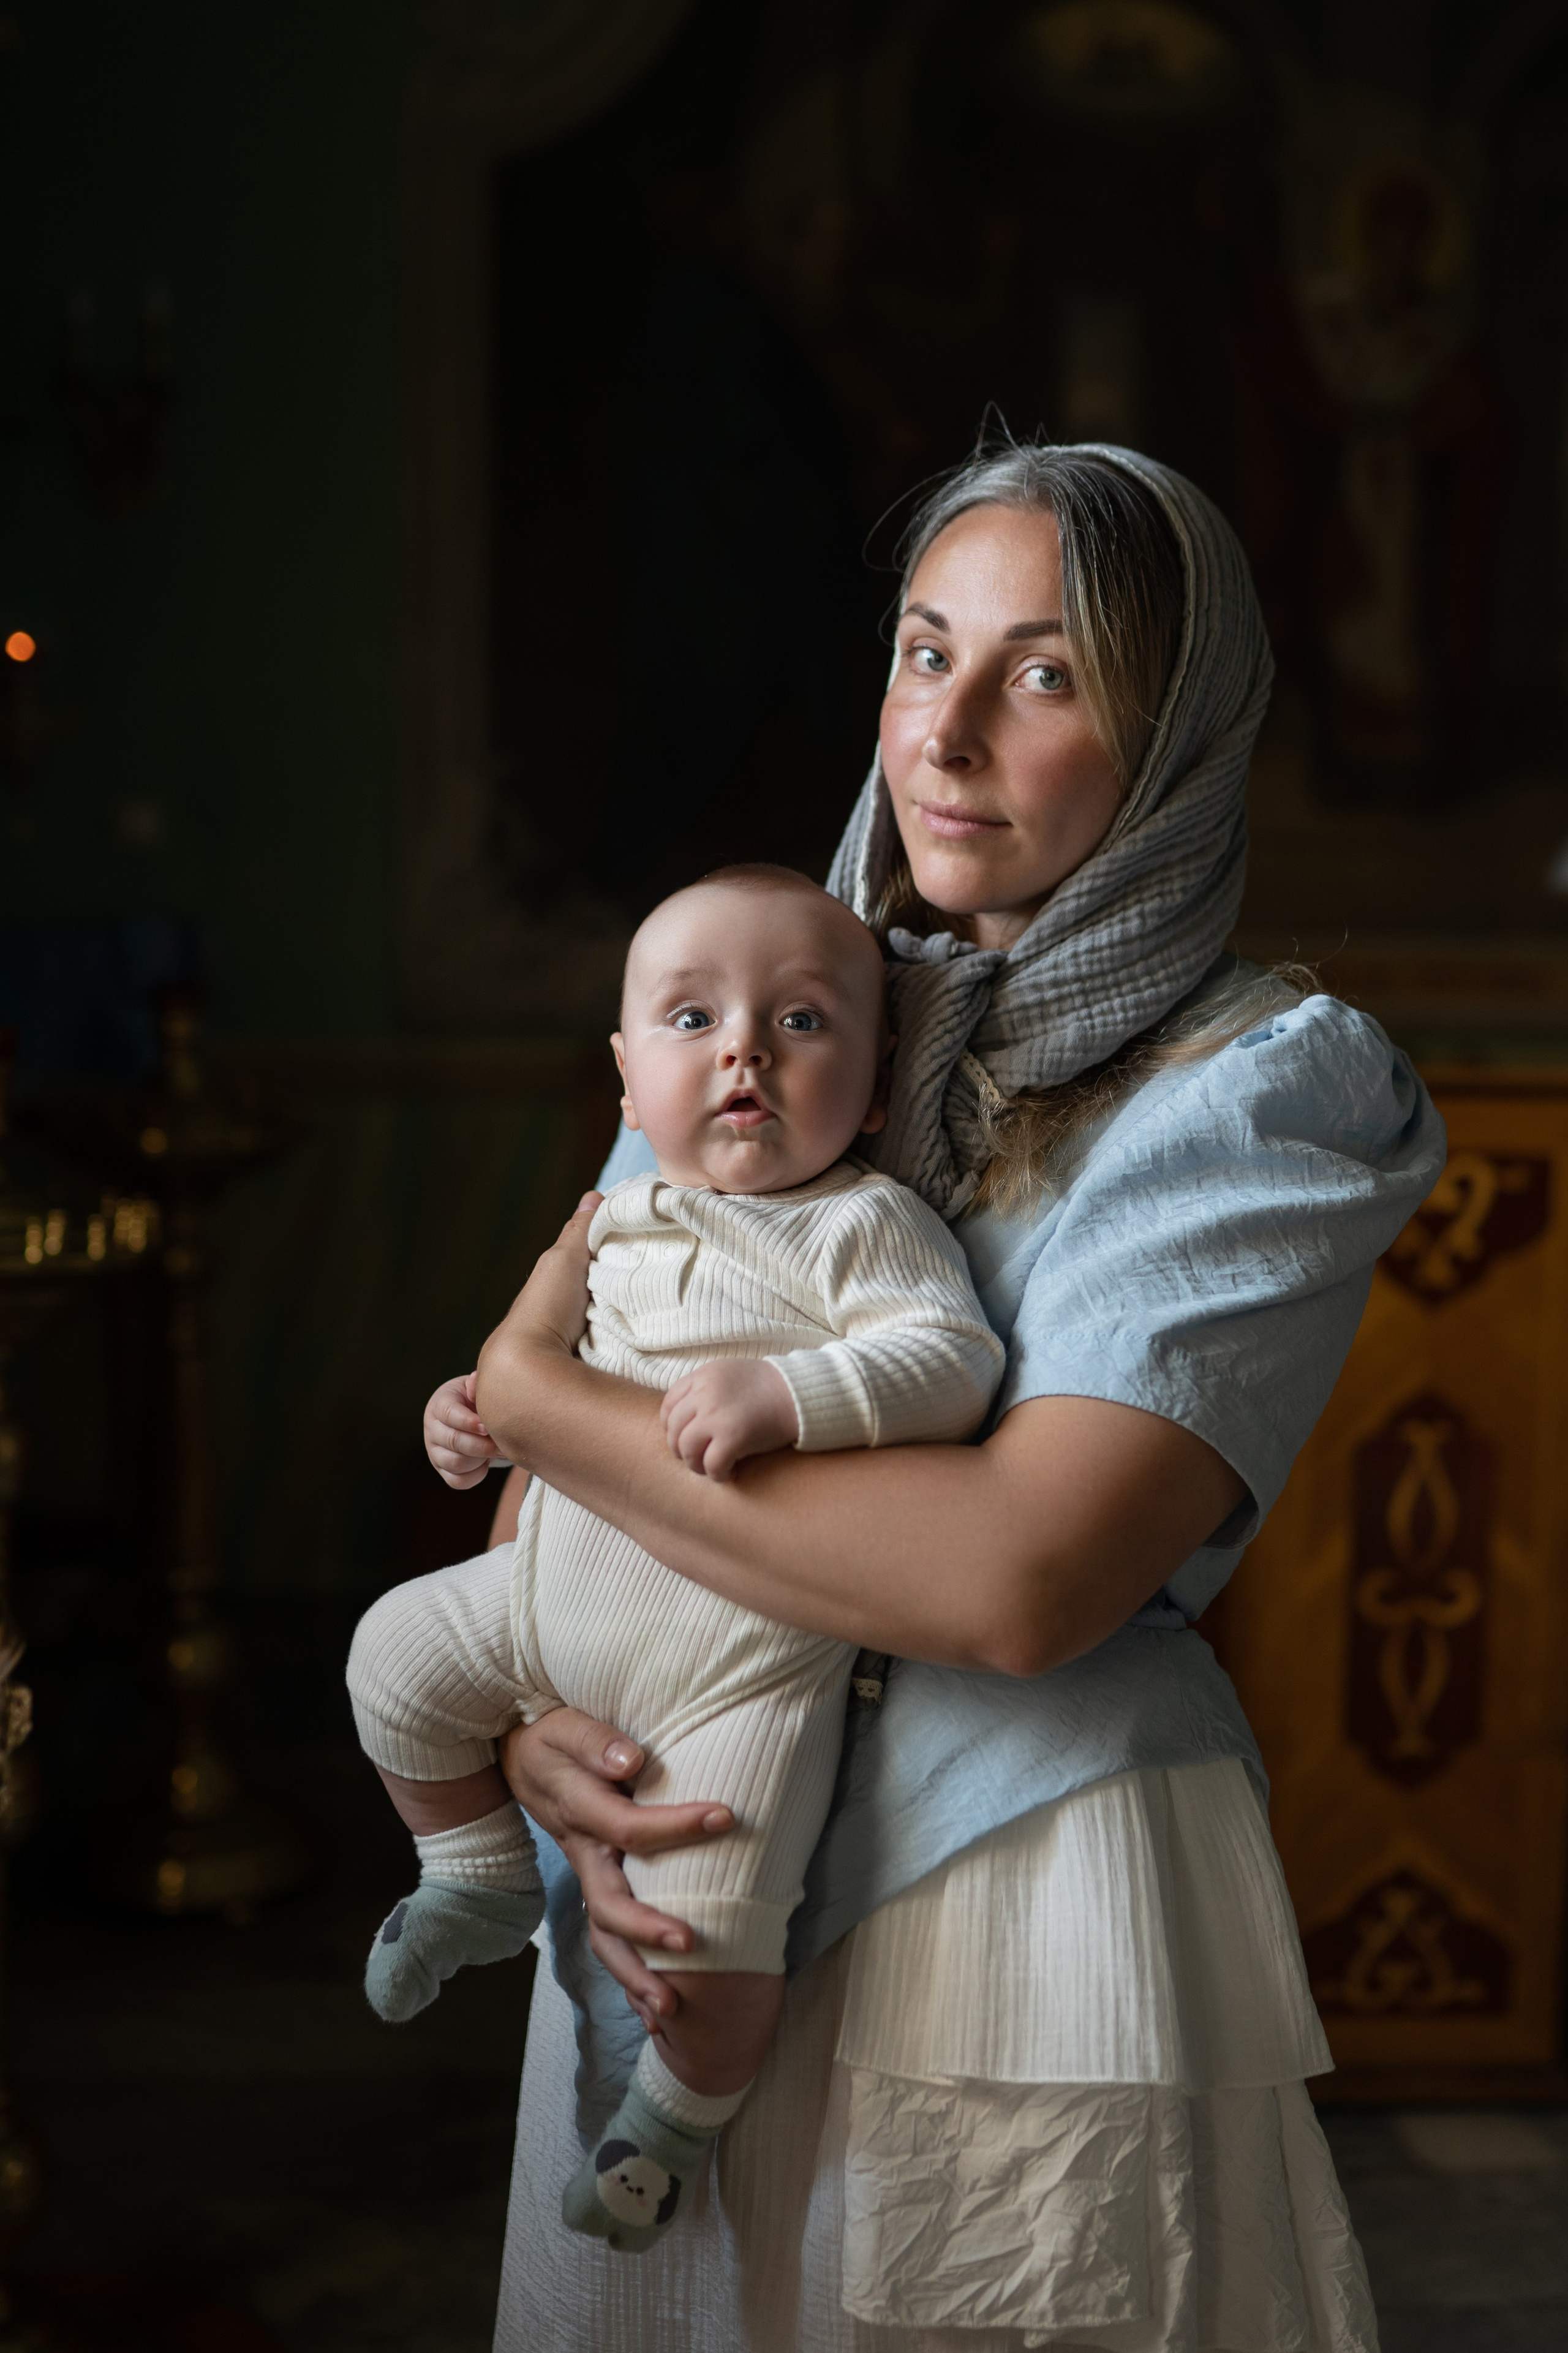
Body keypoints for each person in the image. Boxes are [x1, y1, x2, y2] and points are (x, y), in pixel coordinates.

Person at [478, 440, 1446, 2351]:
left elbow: (1023, 1579)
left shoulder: (1268, 1088)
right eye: (927, 653)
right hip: (675, 1850)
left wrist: (529, 1399)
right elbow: (559, 1492)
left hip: (1012, 1891)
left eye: (1048, 673)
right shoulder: (780, 986)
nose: (949, 733)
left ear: (1177, 736)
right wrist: (531, 1717)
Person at [347, 868, 1002, 2252]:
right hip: (543, 1608)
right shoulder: (607, 1224)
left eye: (803, 1021)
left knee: (709, 1931)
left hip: (740, 1672)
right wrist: (466, 1418)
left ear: (878, 1086)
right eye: (692, 1017)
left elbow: (949, 1363)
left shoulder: (861, 1225)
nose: (743, 1051)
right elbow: (536, 1402)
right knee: (391, 1655)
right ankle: (468, 1870)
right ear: (629, 1084)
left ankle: (671, 2122)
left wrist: (789, 1396)